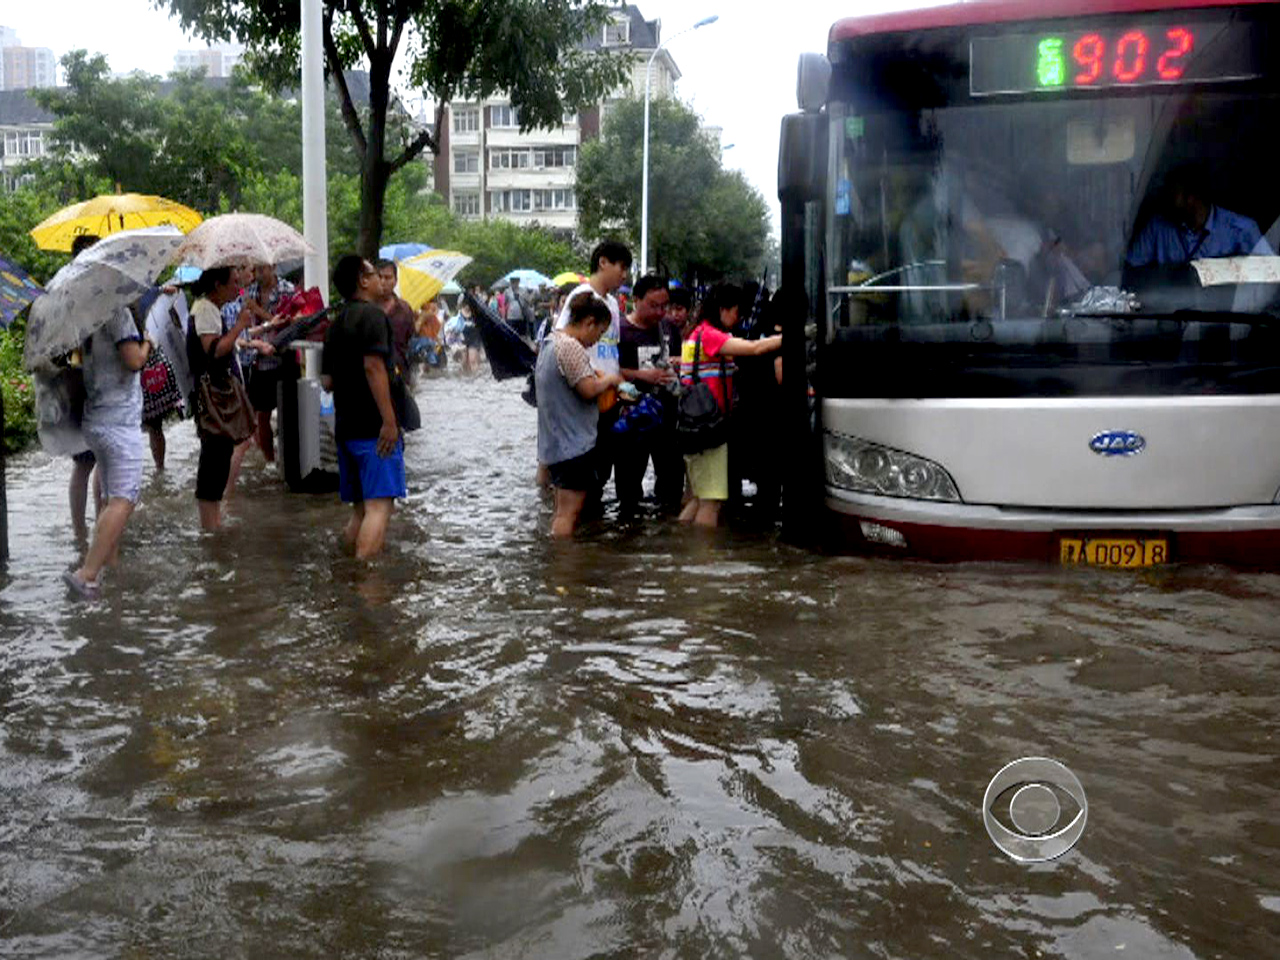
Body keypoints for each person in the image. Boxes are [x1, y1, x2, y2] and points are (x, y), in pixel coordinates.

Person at [63, 301, 154, 599]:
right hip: (118, 420)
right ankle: (87, 574)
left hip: (97, 418)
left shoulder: (89, 313)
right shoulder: (118, 312)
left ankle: (109, 569)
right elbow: (134, 360)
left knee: (110, 496)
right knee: (124, 498)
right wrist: (148, 343)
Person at [321, 255, 405, 559]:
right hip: (374, 429)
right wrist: (389, 422)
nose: (382, 280)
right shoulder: (373, 317)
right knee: (380, 507)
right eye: (375, 274)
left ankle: (346, 577)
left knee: (360, 511)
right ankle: (367, 590)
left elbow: (327, 381)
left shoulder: (335, 322)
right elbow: (374, 367)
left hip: (346, 427)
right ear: (363, 281)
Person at [678, 283, 782, 528]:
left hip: (693, 426)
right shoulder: (711, 335)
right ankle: (702, 558)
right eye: (737, 312)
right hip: (707, 428)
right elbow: (755, 348)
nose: (738, 319)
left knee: (697, 497)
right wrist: (792, 335)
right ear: (722, 309)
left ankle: (681, 547)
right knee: (712, 501)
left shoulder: (696, 332)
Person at [537, 291, 623, 538]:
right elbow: (587, 390)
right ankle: (566, 569)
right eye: (599, 332)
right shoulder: (571, 348)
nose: (597, 340)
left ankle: (560, 565)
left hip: (556, 444)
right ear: (588, 323)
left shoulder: (550, 342)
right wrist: (609, 379)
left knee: (561, 510)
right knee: (569, 513)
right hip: (572, 446)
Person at [554, 240, 633, 507]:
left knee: (601, 471)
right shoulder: (581, 297)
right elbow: (562, 344)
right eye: (622, 267)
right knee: (582, 477)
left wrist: (619, 386)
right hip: (585, 397)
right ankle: (579, 535)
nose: (625, 275)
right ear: (603, 262)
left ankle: (592, 537)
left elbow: (613, 350)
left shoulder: (612, 303)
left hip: (608, 397)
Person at [189, 266, 259, 531]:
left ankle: (213, 522)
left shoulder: (208, 308)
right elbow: (214, 351)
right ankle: (210, 528)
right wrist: (240, 326)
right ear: (217, 285)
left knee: (218, 456)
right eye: (233, 282)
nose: (237, 286)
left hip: (212, 395)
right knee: (214, 458)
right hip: (212, 397)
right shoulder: (206, 309)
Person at [615, 273, 682, 514]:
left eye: (664, 306)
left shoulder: (670, 329)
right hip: (633, 416)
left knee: (672, 485)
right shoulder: (619, 330)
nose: (660, 312)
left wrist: (677, 365)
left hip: (667, 416)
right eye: (653, 305)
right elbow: (611, 372)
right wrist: (642, 375)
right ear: (635, 299)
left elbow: (677, 365)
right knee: (628, 488)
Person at [1127, 165, 1272, 268]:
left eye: (1172, 194)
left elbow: (1270, 275)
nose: (1166, 199)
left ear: (1191, 197)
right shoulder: (1157, 227)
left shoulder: (1241, 230)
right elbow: (1130, 269)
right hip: (1169, 309)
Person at [240, 264, 296, 462]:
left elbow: (290, 323)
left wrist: (258, 311)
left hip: (283, 357)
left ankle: (288, 458)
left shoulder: (287, 290)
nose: (258, 273)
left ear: (272, 267)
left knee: (289, 411)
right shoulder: (249, 292)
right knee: (262, 414)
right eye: (255, 269)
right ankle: (269, 460)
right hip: (258, 360)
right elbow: (243, 327)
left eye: (262, 269)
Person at [65, 234, 101, 541]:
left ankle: (101, 523)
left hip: (101, 383)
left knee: (100, 459)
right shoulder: (72, 295)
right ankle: (81, 531)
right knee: (85, 460)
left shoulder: (102, 291)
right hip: (83, 384)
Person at [375, 258, 416, 374]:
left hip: (400, 372)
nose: (383, 282)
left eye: (387, 278)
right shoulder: (365, 308)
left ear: (395, 281)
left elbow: (411, 340)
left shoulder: (405, 309)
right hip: (372, 373)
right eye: (379, 277)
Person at [663, 286, 691, 359]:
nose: (674, 314)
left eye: (679, 309)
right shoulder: (661, 332)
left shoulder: (696, 333)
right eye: (669, 309)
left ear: (688, 311)